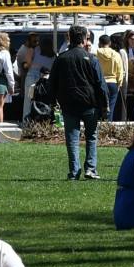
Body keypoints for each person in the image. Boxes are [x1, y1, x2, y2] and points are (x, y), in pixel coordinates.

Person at [48, 25, 108, 181]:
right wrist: (105, 105)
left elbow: (52, 83)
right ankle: (90, 169)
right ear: (84, 38)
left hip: (69, 103)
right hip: (90, 103)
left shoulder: (61, 58)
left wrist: (52, 102)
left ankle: (74, 171)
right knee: (91, 137)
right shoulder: (91, 58)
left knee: (72, 139)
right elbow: (101, 84)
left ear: (70, 38)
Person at [96, 32, 129, 121]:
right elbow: (120, 71)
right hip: (113, 82)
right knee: (111, 107)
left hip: (100, 82)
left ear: (99, 43)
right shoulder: (116, 54)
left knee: (99, 107)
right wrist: (119, 83)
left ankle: (99, 125)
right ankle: (108, 126)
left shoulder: (96, 53)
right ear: (109, 43)